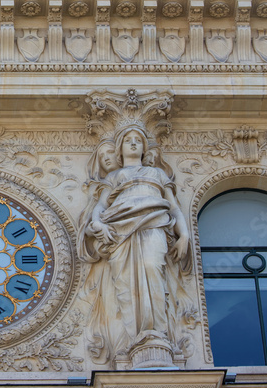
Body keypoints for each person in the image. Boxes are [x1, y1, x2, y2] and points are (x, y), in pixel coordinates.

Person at [78, 124, 192, 365]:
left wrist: (184, 236)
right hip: (120, 231)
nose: (133, 143)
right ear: (119, 149)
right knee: (125, 282)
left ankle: (157, 335)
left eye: (137, 140)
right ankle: (137, 338)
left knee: (152, 267)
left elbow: (173, 207)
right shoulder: (114, 176)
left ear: (144, 148)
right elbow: (99, 207)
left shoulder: (157, 175)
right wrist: (99, 224)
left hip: (153, 224)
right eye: (128, 140)